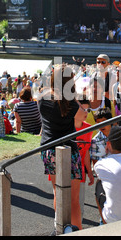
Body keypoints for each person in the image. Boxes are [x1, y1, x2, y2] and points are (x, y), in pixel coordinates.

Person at [38, 64, 83, 230]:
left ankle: (60, 226)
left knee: (58, 192)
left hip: (49, 149)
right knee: (74, 199)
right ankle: (77, 230)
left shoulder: (43, 96)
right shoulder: (72, 103)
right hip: (68, 150)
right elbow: (81, 118)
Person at [74, 98, 94, 219]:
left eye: (88, 109)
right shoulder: (66, 127)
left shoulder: (88, 128)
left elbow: (86, 152)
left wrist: (90, 171)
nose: (86, 112)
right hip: (66, 169)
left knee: (79, 204)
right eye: (83, 109)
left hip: (80, 171)